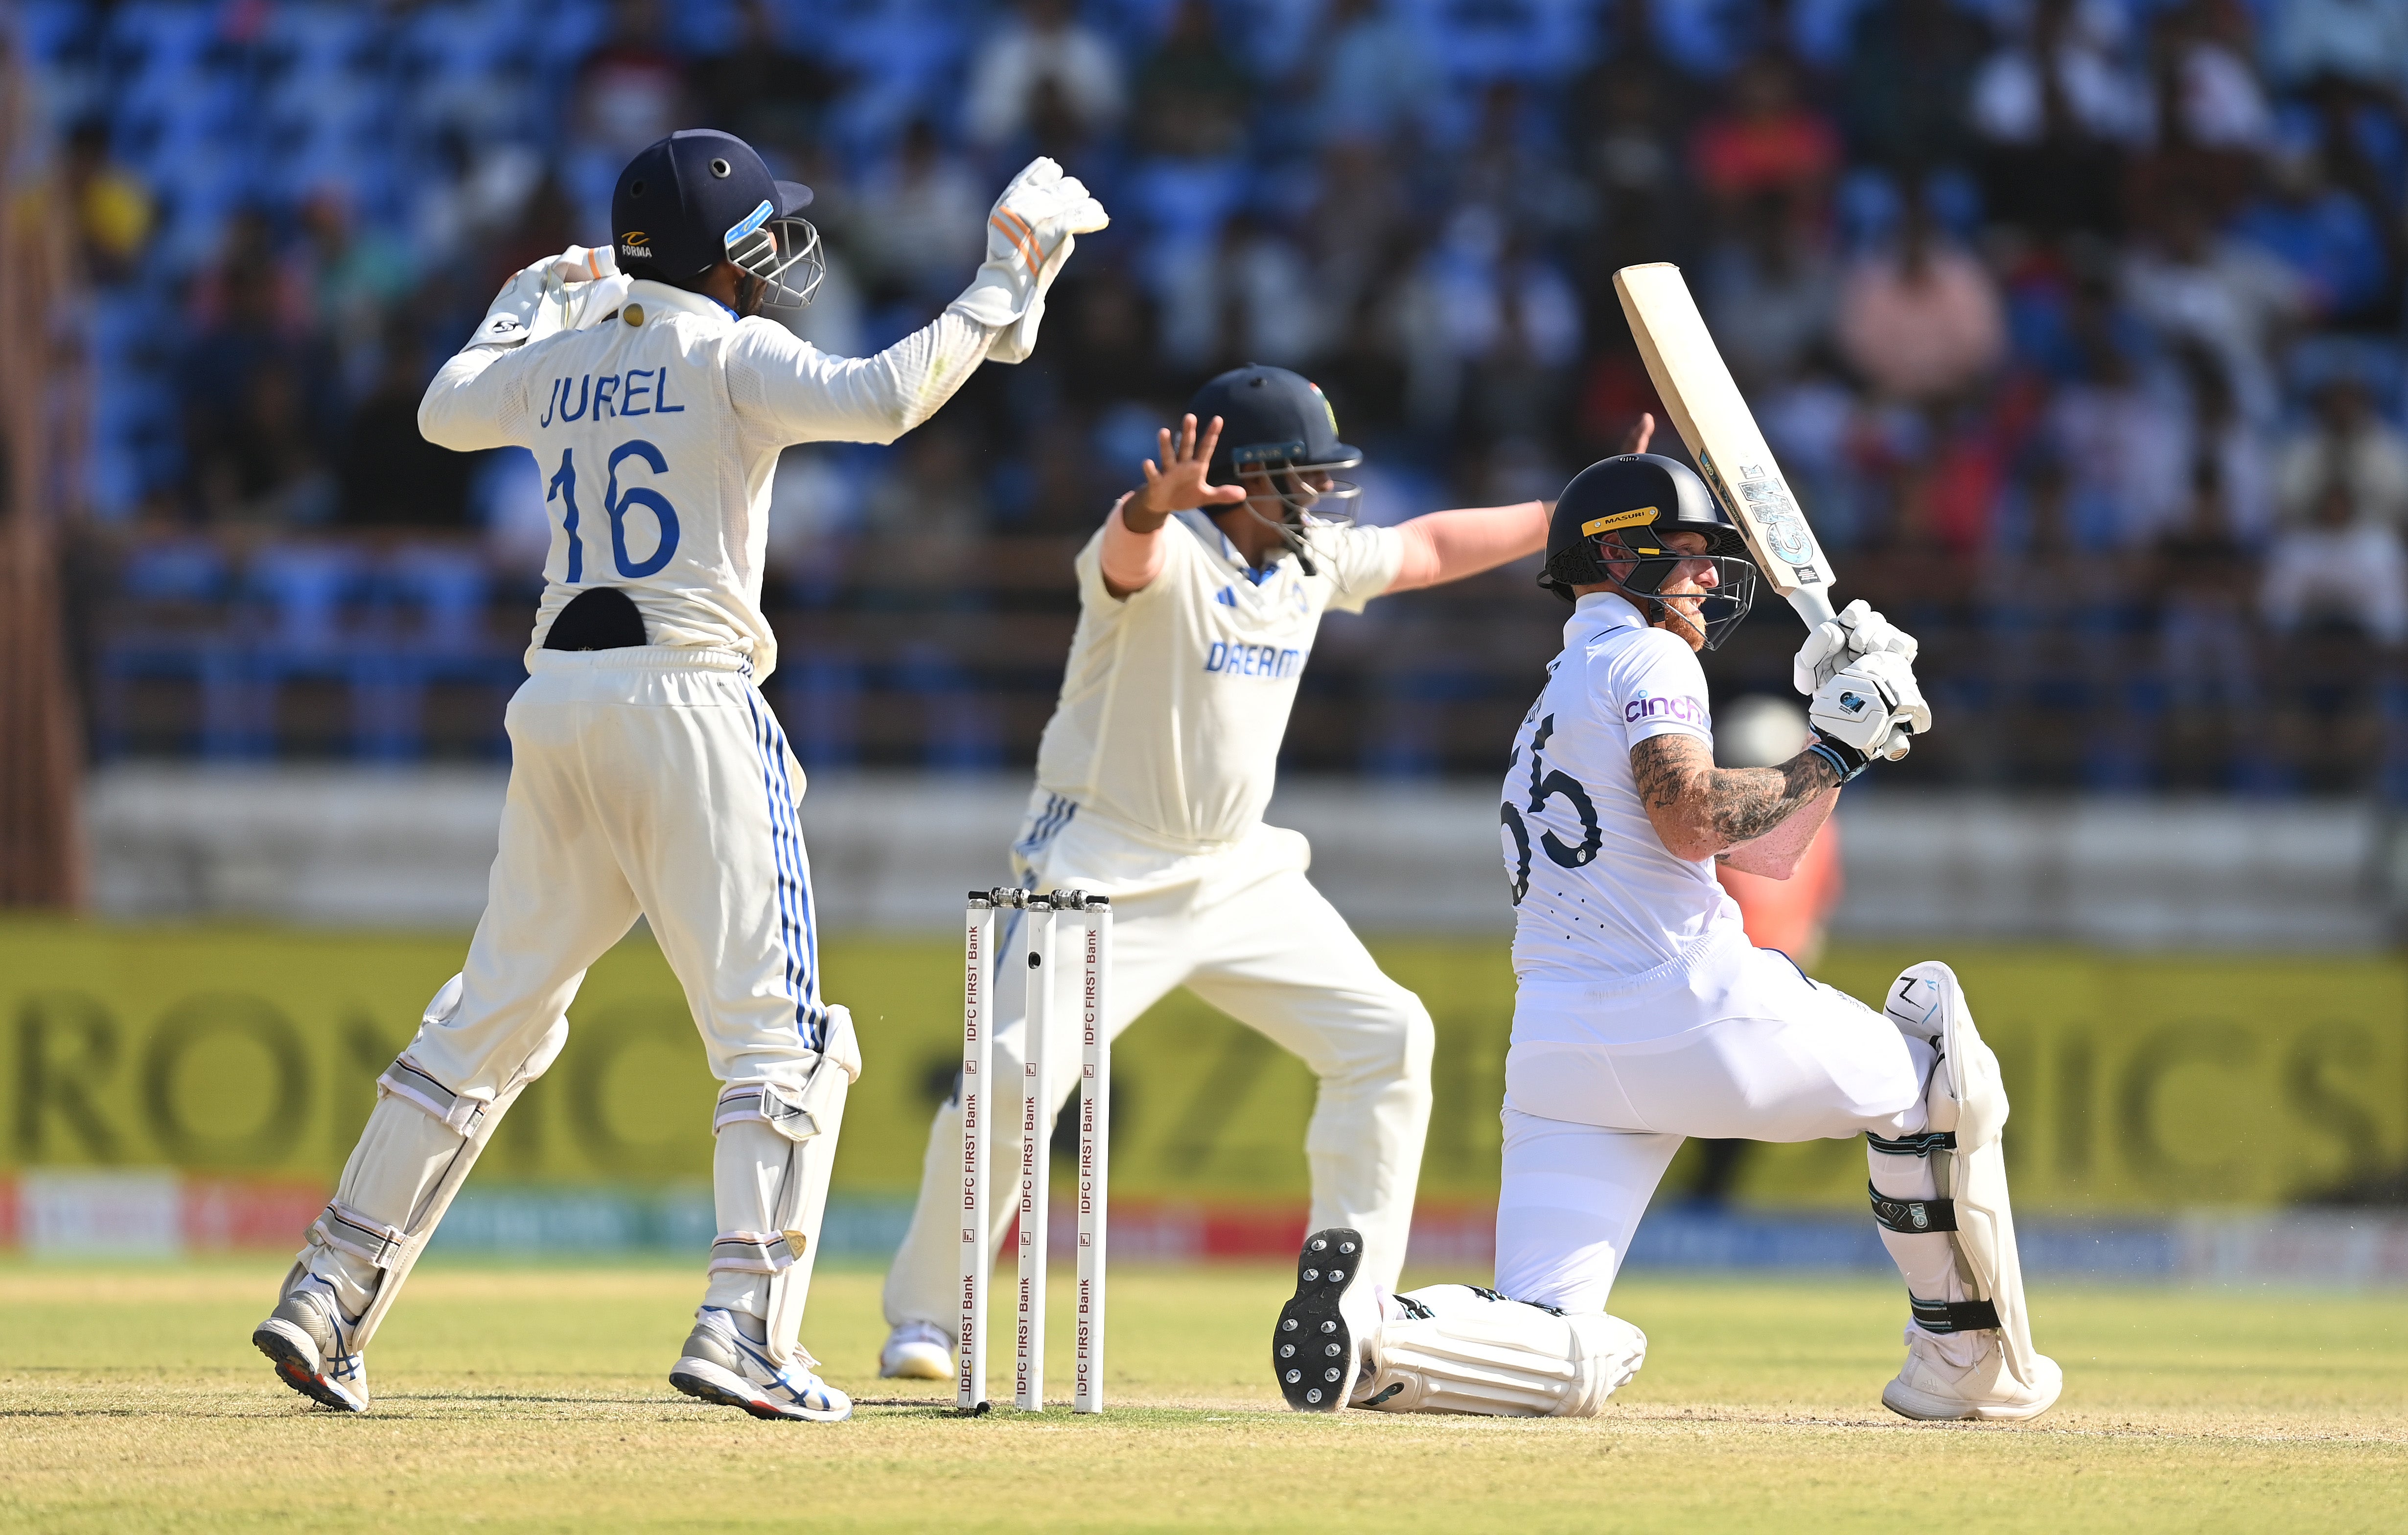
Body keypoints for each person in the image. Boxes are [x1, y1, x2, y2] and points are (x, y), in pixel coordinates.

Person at [251, 129, 1107, 1422]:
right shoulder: (731, 351)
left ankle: (327, 1290)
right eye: (764, 232)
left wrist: (539, 289)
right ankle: (745, 1327)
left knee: (488, 1021)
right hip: (694, 705)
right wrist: (998, 283)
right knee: (791, 1042)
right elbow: (882, 402)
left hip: (559, 707)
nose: (779, 252)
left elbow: (440, 410)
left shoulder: (560, 357)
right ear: (730, 252)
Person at [1272, 452, 2063, 1423]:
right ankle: (1965, 1362)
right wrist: (1835, 750)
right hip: (1691, 1003)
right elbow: (1693, 817)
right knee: (1936, 1063)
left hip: (1560, 1052)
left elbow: (1760, 852)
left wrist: (1836, 749)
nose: (1705, 575)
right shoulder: (1651, 656)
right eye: (1682, 554)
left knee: (1560, 1333)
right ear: (1612, 554)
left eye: (1708, 555)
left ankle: (1379, 1334)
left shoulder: (1552, 695)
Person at [873, 367, 1610, 1380]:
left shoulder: (1310, 561)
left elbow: (1432, 547)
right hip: (1100, 869)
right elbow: (1126, 558)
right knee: (1008, 1076)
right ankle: (930, 1317)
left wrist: (1574, 508)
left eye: (1323, 478)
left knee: (1390, 1038)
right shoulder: (1162, 547)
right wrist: (1148, 505)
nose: (1316, 498)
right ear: (1235, 483)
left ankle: (1358, 1313)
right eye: (1296, 478)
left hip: (1238, 870)